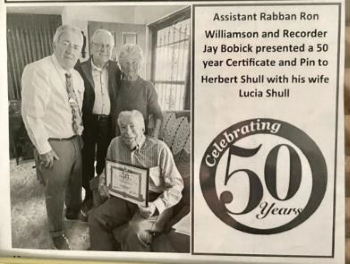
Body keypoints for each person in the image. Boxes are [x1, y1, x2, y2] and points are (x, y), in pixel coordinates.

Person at [21, 25, 84, 250]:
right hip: (54, 144)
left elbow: (76, 107)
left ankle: (74, 212)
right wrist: (43, 148)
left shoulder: (76, 76)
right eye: (66, 43)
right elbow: (31, 114)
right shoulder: (37, 70)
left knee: (76, 184)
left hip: (75, 139)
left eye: (76, 46)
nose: (71, 50)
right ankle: (57, 232)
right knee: (56, 190)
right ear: (54, 43)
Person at [88, 110, 184, 251]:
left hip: (154, 200)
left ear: (143, 128)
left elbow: (177, 185)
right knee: (95, 218)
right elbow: (107, 171)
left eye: (132, 126)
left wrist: (155, 205)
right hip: (125, 196)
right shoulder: (114, 144)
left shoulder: (159, 149)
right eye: (123, 127)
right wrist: (103, 183)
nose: (127, 132)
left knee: (135, 232)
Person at [75, 29, 121, 218]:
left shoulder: (116, 69)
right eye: (100, 45)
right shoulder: (80, 68)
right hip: (88, 122)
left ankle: (101, 194)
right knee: (86, 159)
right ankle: (87, 195)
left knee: (105, 158)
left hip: (109, 122)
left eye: (108, 46)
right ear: (91, 47)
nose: (104, 49)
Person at [116, 44, 163, 138]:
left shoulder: (147, 87)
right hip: (119, 136)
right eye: (126, 63)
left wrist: (155, 136)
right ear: (121, 65)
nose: (130, 67)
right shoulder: (116, 85)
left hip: (139, 138)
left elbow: (158, 115)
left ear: (139, 64)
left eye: (134, 62)